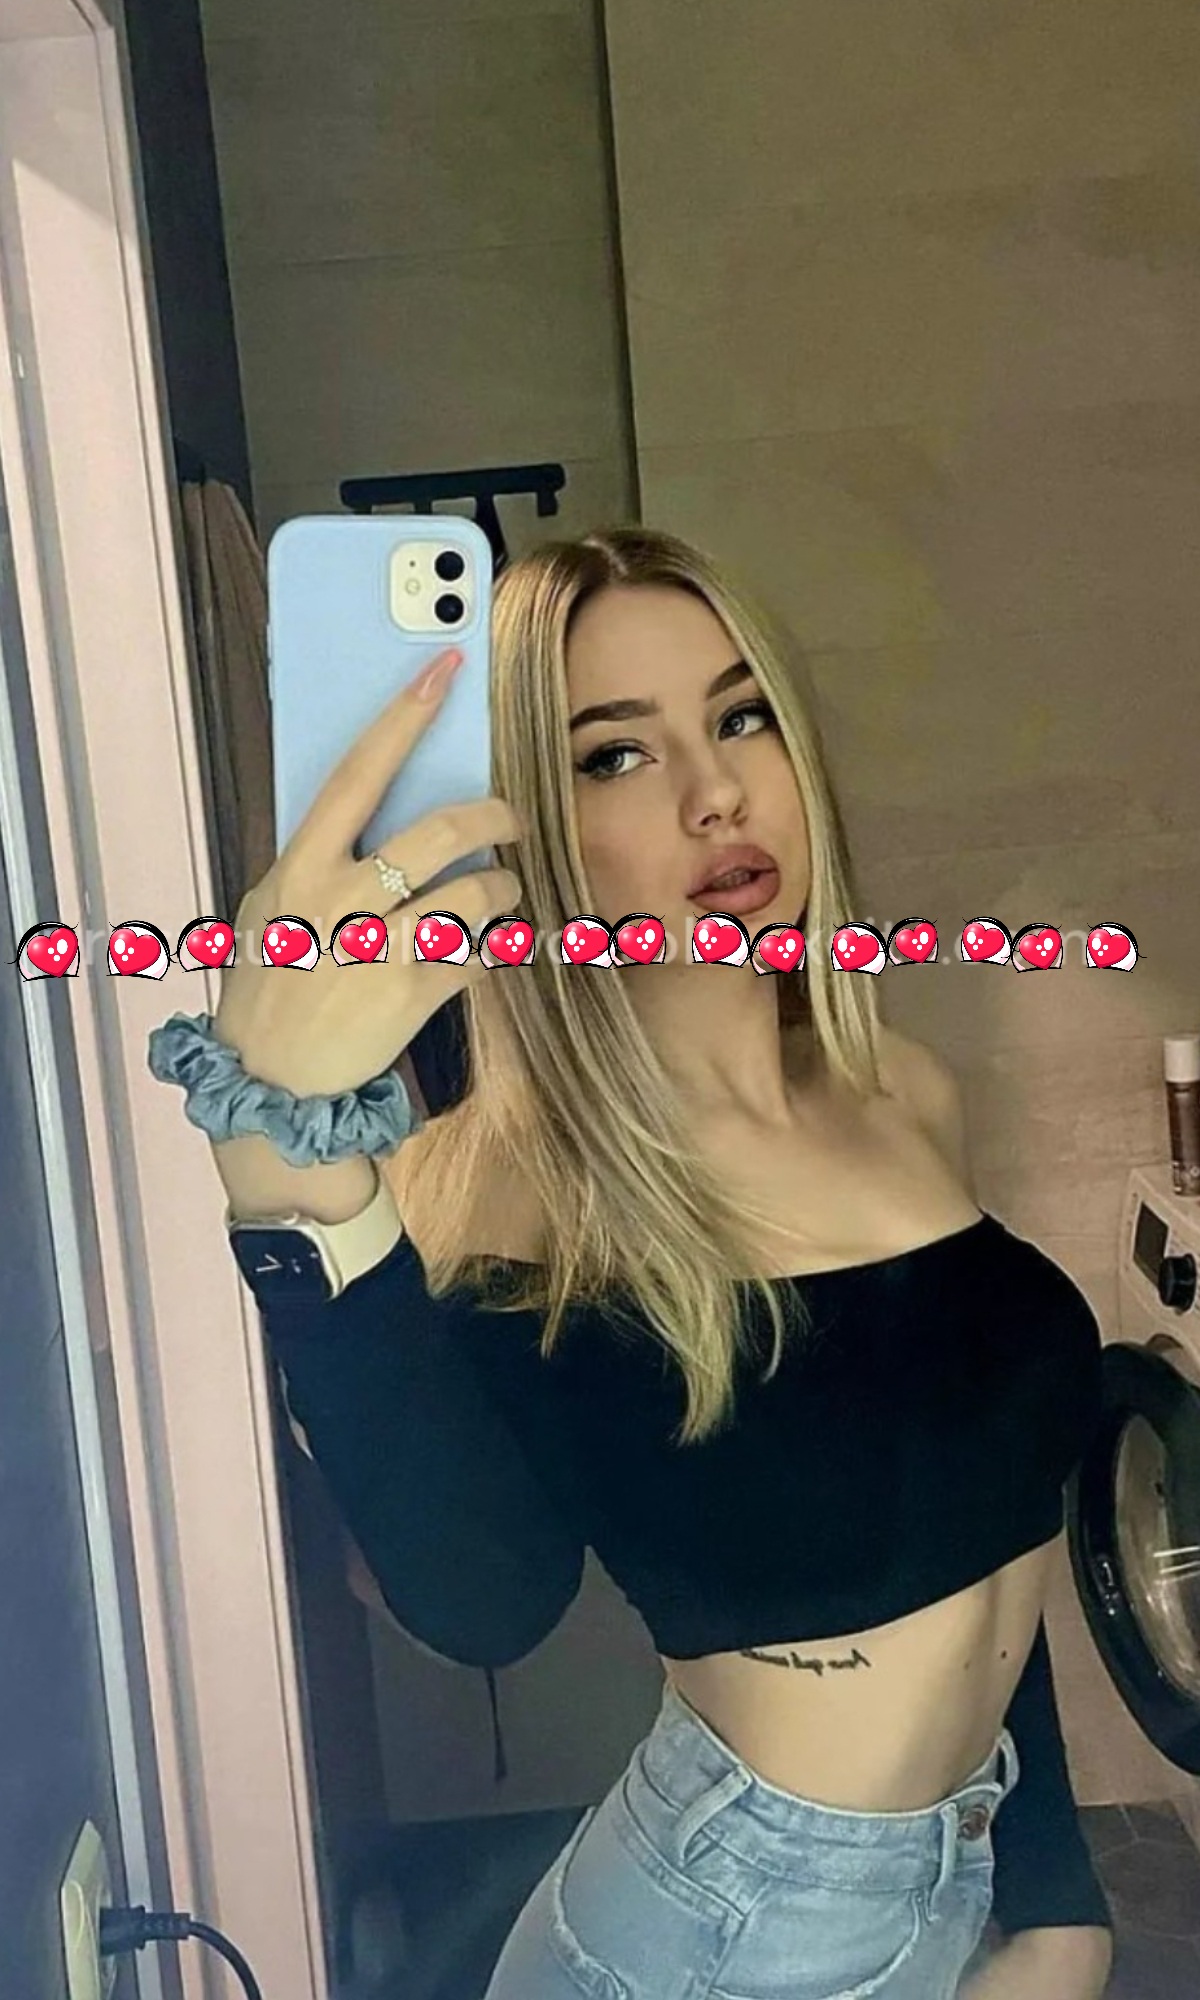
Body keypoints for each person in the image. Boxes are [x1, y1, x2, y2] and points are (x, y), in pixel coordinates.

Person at [148, 527, 1115, 1998]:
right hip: (714, 1937)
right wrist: (283, 1165)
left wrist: (1054, 1902)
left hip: (956, 1879)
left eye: (741, 716)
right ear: (529, 831)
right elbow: (484, 1603)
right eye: (614, 755)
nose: (715, 791)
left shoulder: (903, 1094)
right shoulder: (506, 1196)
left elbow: (987, 1504)